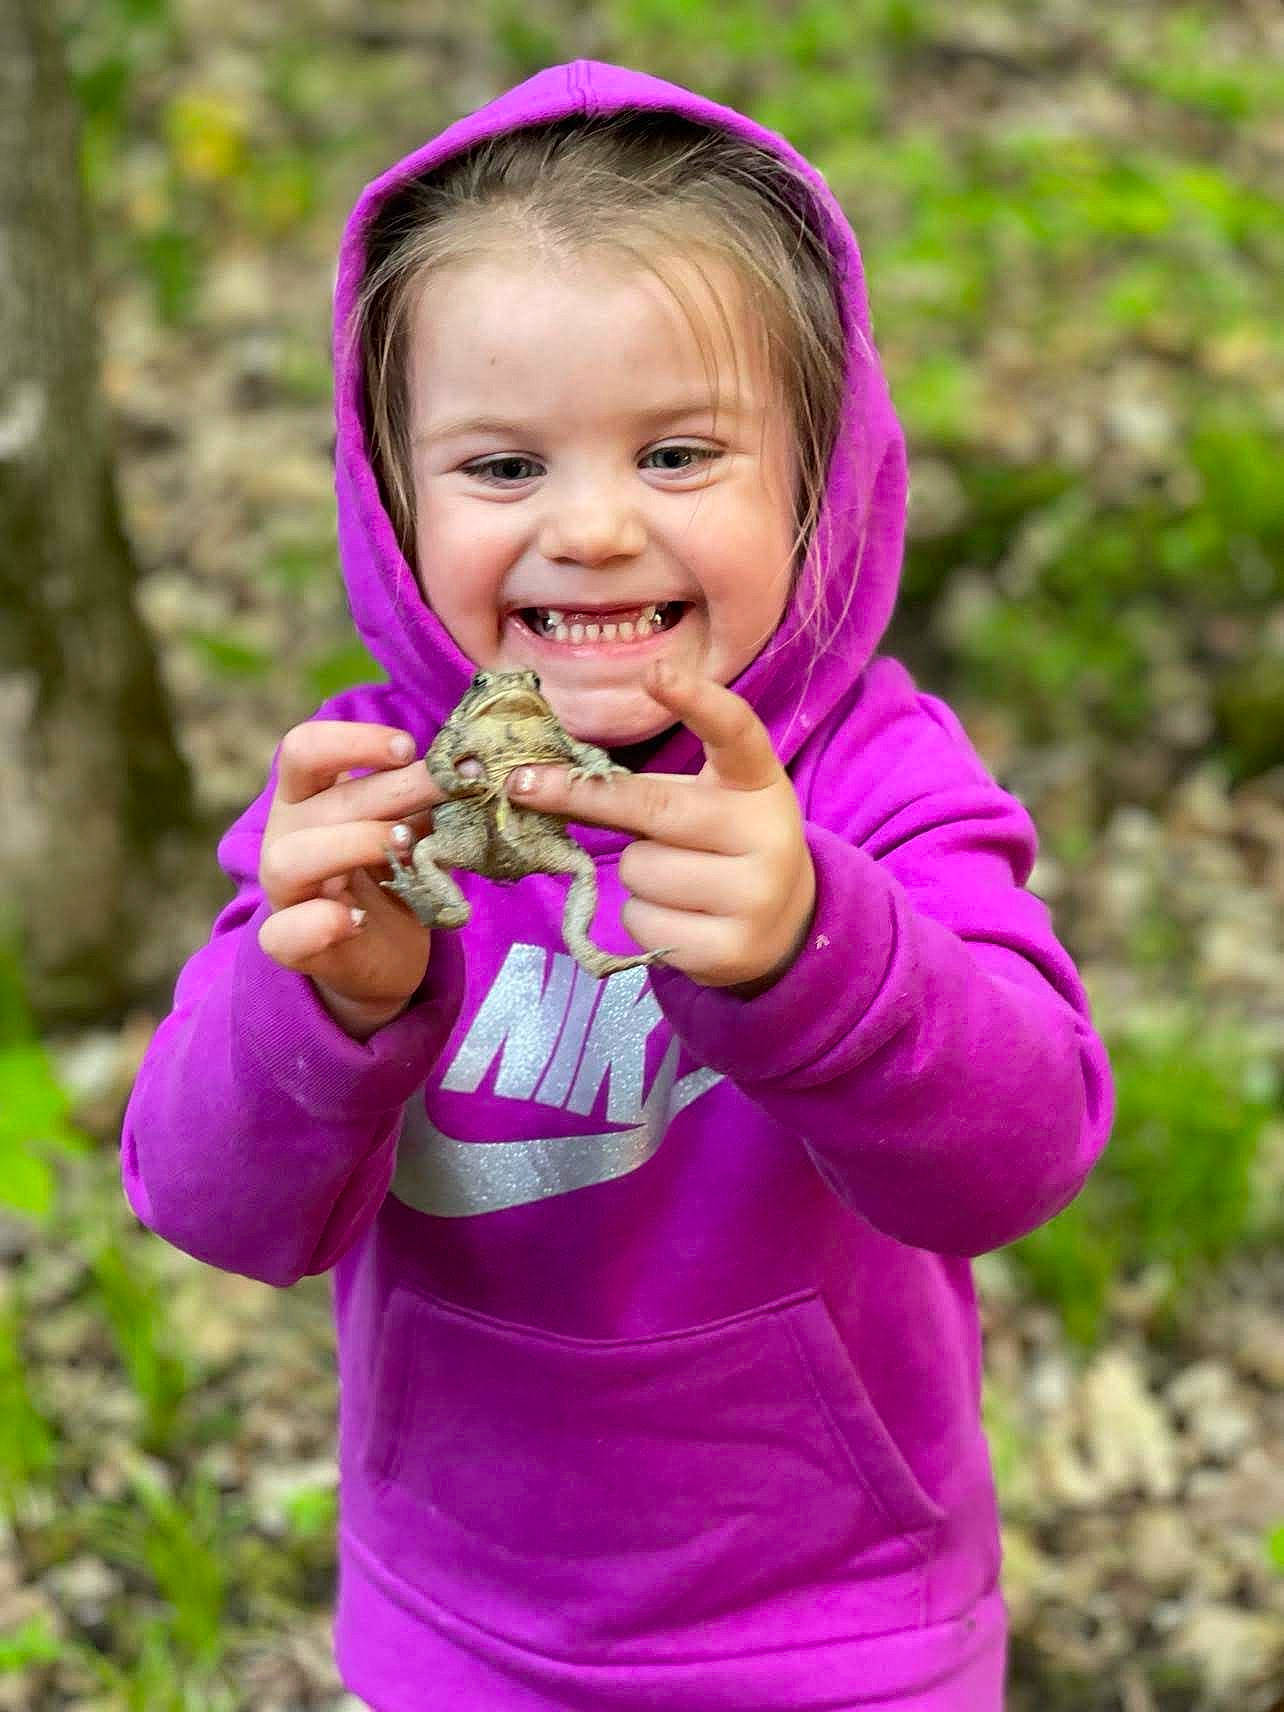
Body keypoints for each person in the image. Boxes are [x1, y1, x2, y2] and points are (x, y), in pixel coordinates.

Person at [122, 60, 1113, 1711]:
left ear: (815, 477)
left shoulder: (875, 784)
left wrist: (821, 953)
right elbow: (207, 1206)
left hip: (840, 1622)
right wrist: (319, 1004)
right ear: (390, 495)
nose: (587, 528)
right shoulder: (368, 802)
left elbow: (1020, 1156)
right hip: (458, 1615)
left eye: (675, 454)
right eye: (502, 468)